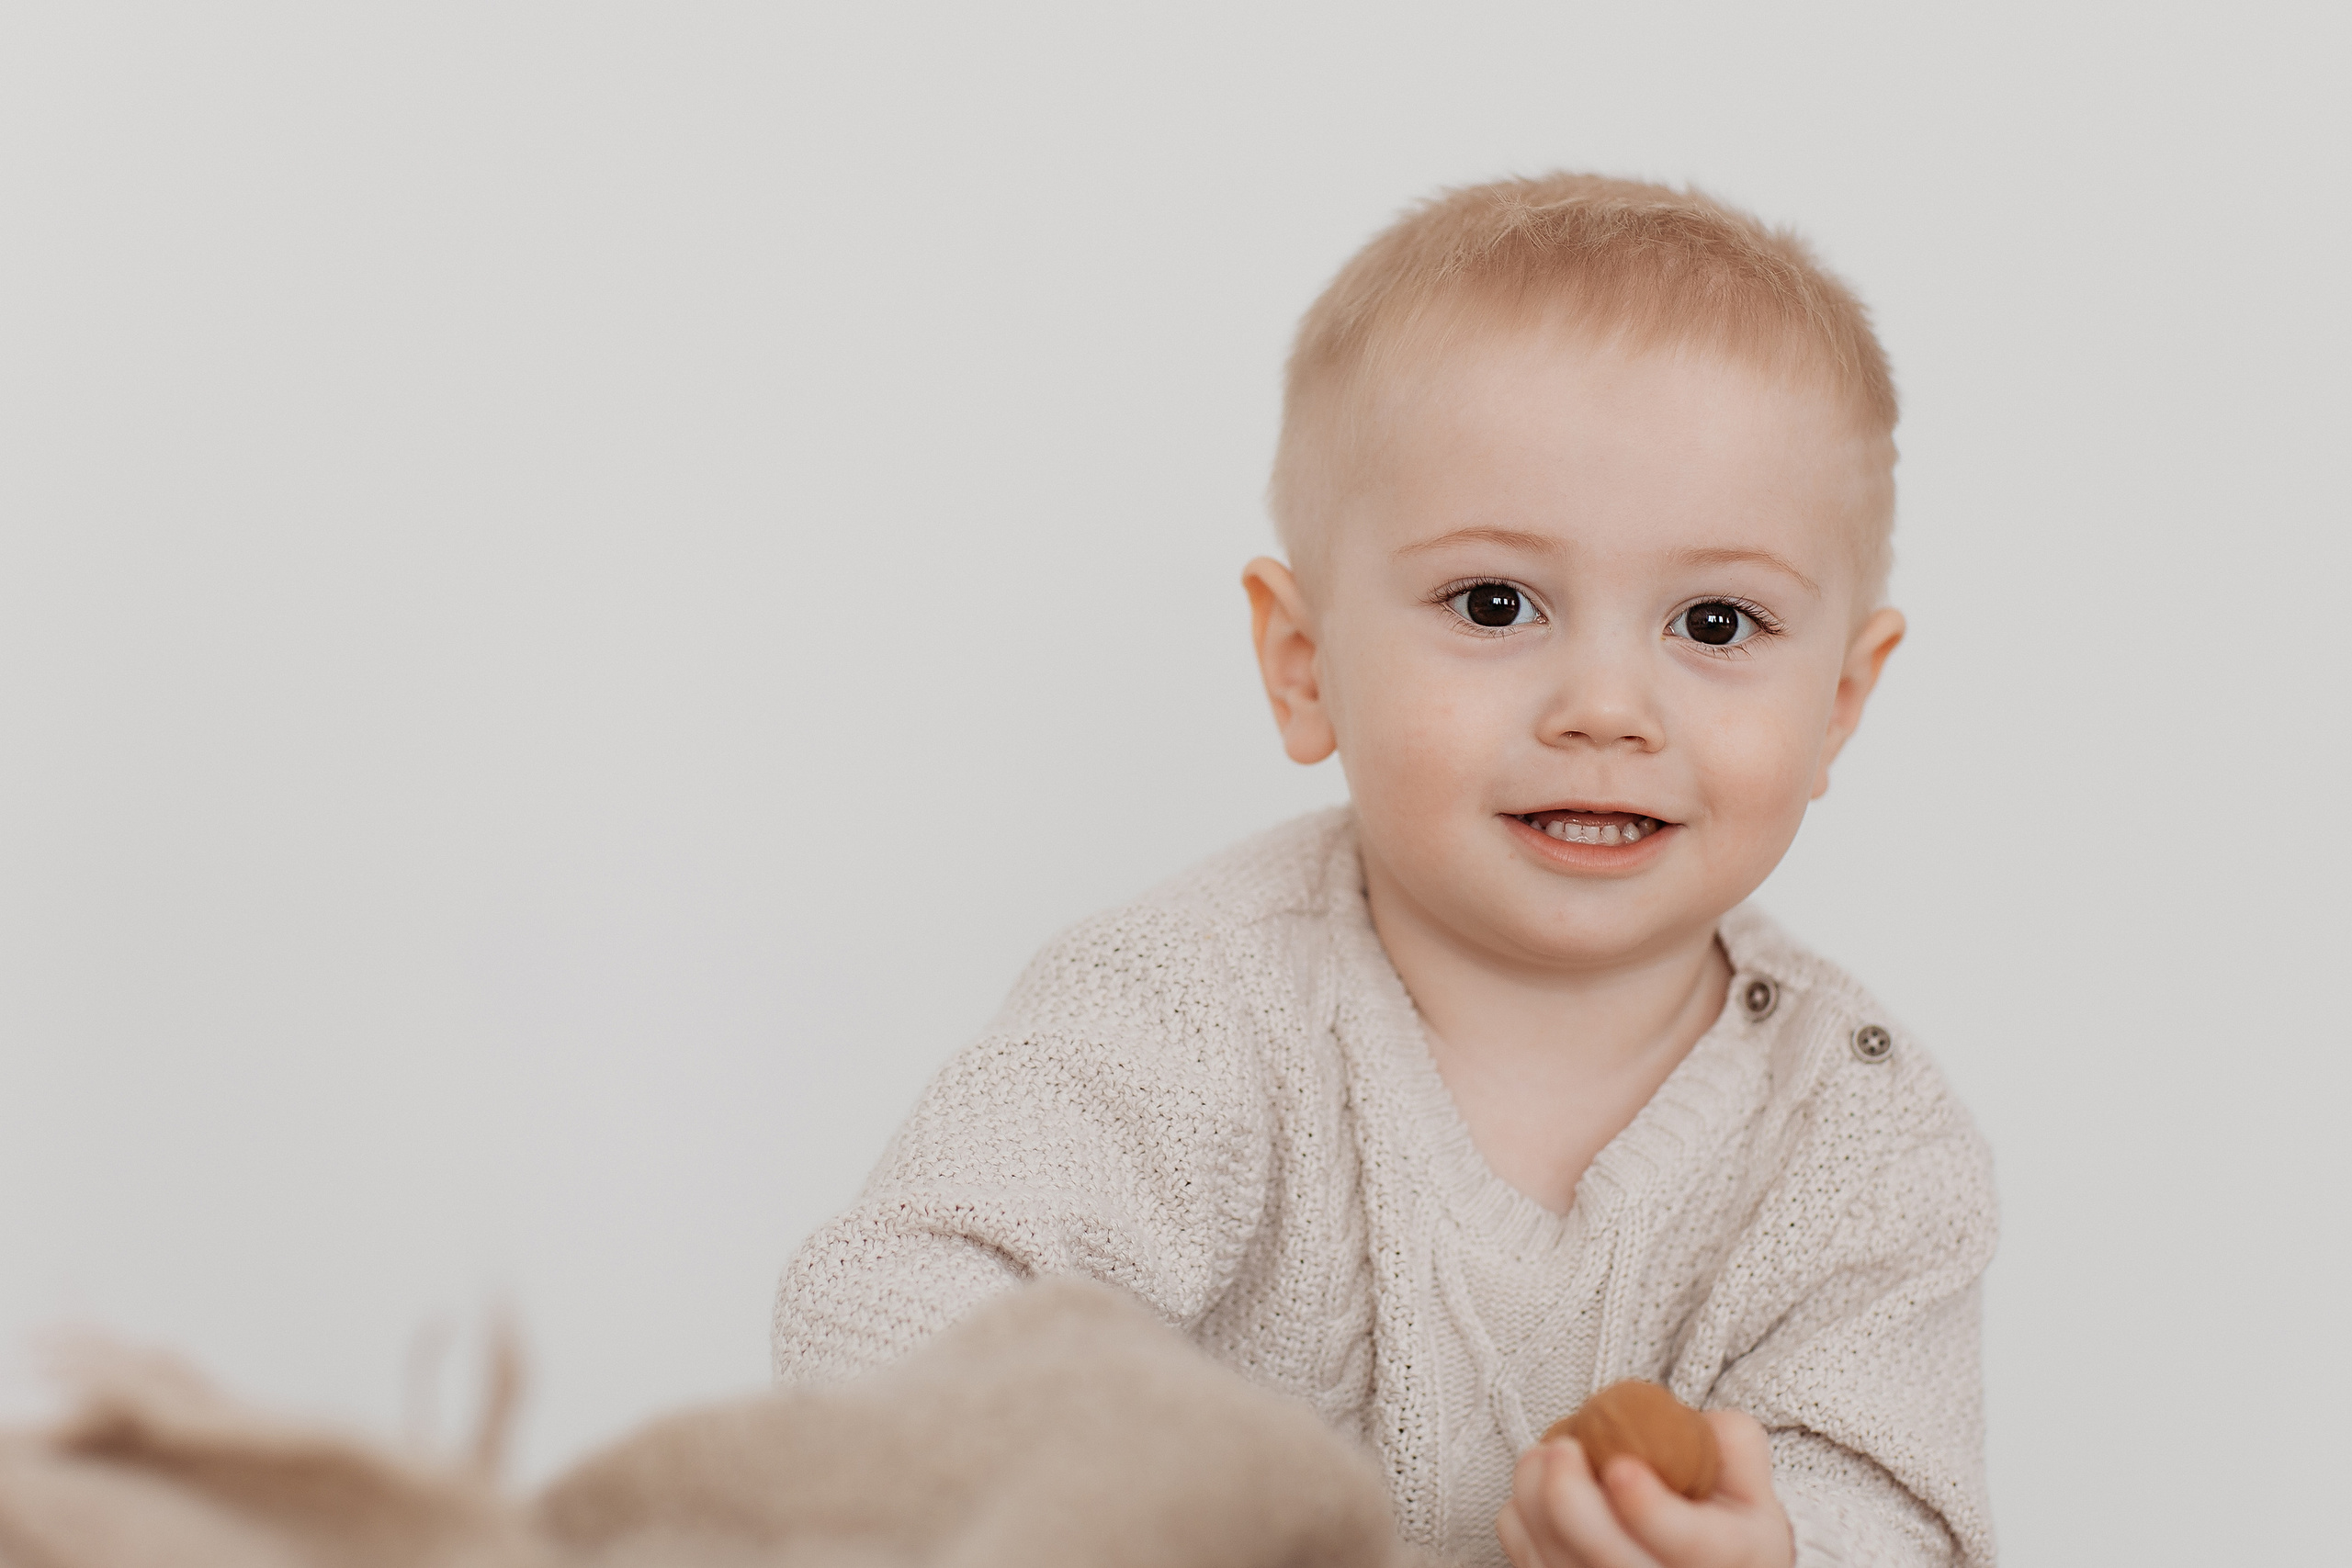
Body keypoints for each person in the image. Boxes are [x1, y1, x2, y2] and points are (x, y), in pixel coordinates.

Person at [769, 174, 1996, 1568]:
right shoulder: (1188, 1006)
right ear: (1306, 667)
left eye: (1716, 622)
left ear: (1839, 704)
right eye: (1495, 603)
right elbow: (885, 1305)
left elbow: (1897, 1512)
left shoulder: (1865, 1142)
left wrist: (1768, 1553)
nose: (1606, 706)